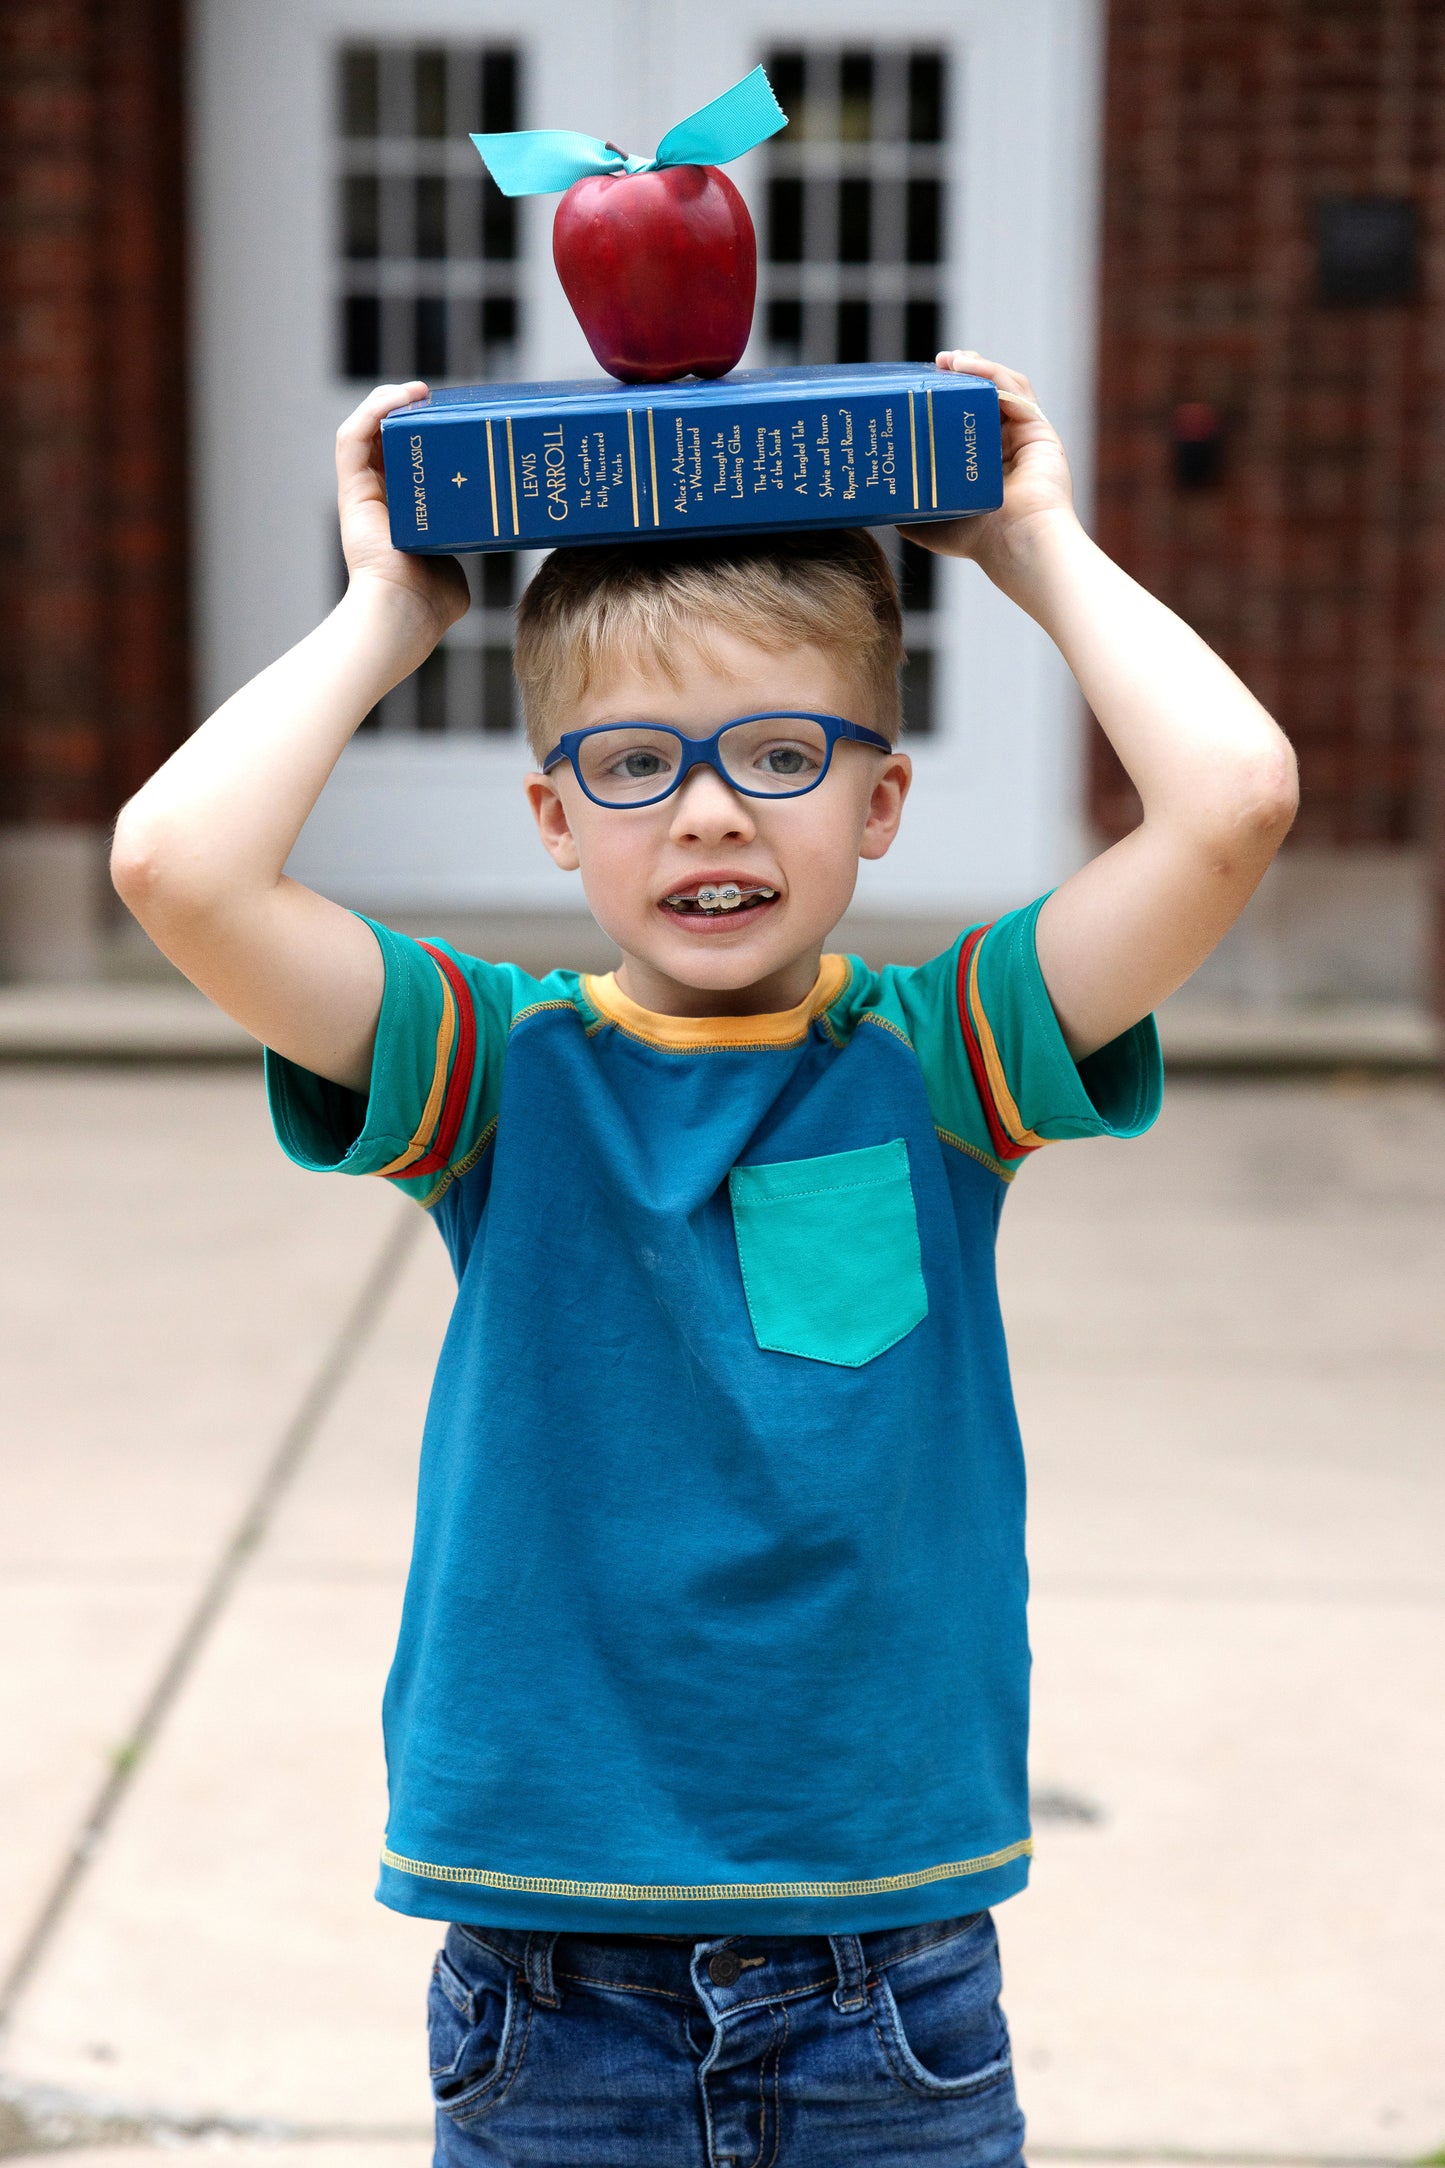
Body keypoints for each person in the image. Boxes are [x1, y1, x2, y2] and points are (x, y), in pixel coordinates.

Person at [111, 351, 1297, 2167]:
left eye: (779, 753)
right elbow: (179, 866)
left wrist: (1031, 543)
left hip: (883, 1966)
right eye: (634, 765)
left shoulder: (942, 1059)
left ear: (880, 801)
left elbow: (1227, 804)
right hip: (550, 1975)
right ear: (553, 818)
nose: (713, 812)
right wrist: (387, 616)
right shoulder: (495, 1071)